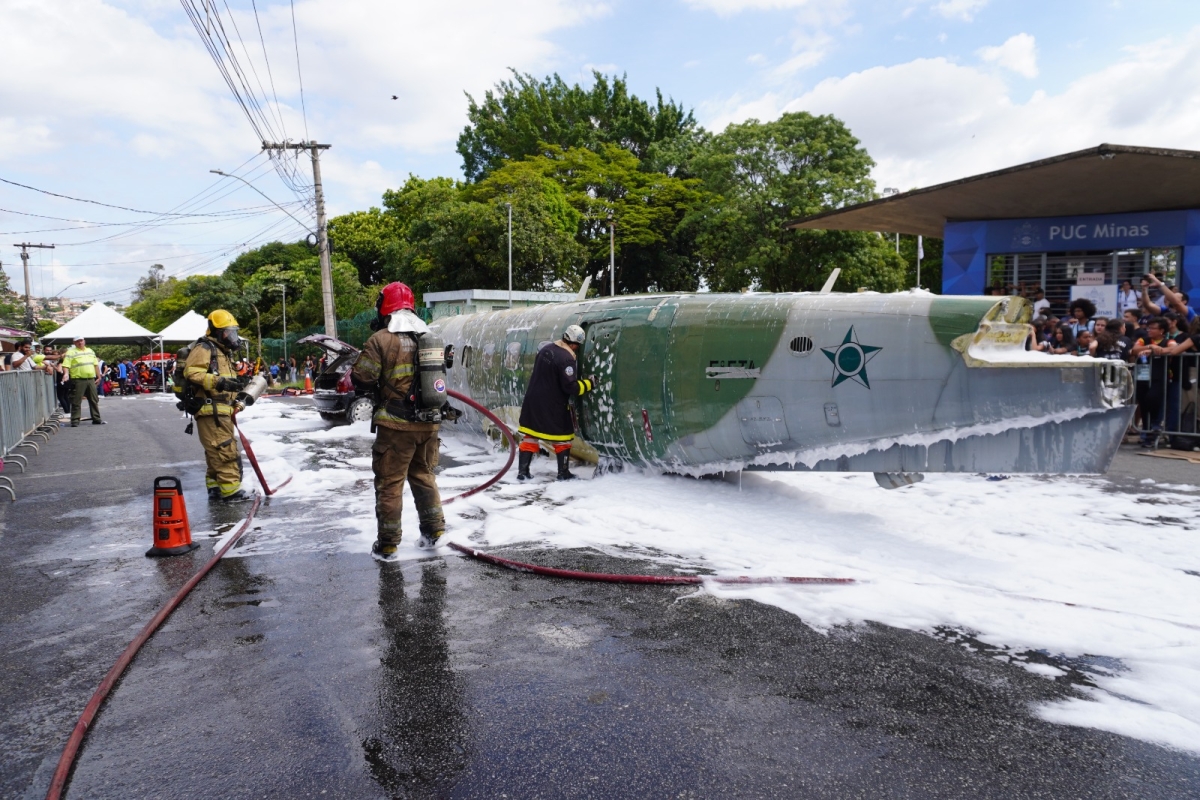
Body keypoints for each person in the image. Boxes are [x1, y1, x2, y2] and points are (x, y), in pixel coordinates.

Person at [351, 282, 447, 559]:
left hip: (395, 425)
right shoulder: (428, 336)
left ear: (384, 307)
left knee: (390, 484)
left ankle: (388, 544)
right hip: (429, 423)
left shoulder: (380, 339)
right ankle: (434, 532)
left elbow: (362, 378)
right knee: (424, 476)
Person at [185, 310, 250, 502]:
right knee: (225, 450)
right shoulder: (205, 348)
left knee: (216, 451)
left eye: (233, 332)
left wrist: (237, 392)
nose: (232, 336)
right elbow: (192, 373)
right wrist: (219, 382)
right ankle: (231, 492)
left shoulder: (222, 352)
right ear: (217, 332)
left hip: (221, 410)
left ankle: (215, 488)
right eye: (228, 332)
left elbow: (226, 382)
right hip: (210, 409)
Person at [516, 324, 595, 481]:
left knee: (530, 436)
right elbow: (571, 387)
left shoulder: (546, 349)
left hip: (532, 401)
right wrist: (590, 383)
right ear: (575, 344)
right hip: (552, 404)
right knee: (563, 437)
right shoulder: (566, 358)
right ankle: (563, 473)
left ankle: (523, 473)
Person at [1131, 318, 1172, 446]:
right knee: (1143, 404)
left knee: (1152, 399)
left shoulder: (1168, 341)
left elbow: (1173, 349)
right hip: (1142, 377)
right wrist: (1150, 346)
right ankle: (1147, 433)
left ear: (1162, 330)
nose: (1149, 330)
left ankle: (1155, 425)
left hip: (1159, 377)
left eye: (1153, 328)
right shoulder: (1143, 340)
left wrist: (1155, 350)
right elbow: (1134, 350)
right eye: (1149, 328)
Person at [61, 336, 103, 426]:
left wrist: (99, 377)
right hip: (78, 379)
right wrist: (66, 374)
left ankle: (96, 419)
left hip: (90, 379)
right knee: (76, 401)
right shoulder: (71, 352)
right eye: (77, 341)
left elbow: (95, 365)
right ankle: (75, 421)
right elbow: (66, 365)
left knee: (94, 400)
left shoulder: (90, 351)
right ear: (74, 343)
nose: (80, 342)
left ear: (84, 341)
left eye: (81, 340)